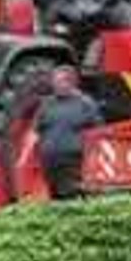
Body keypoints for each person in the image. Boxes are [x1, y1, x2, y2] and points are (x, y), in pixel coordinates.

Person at [35, 66, 103, 200]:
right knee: (55, 197)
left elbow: (98, 132)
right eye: (54, 81)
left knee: (71, 195)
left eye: (60, 81)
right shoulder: (47, 104)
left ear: (71, 83)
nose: (55, 85)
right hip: (49, 160)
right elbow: (38, 129)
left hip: (73, 160)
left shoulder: (85, 104)